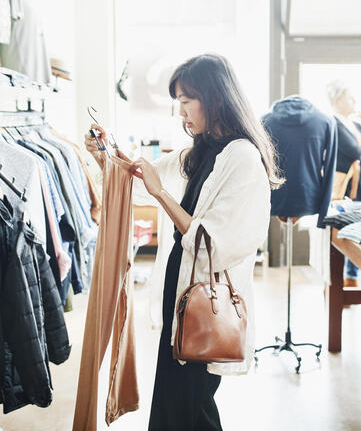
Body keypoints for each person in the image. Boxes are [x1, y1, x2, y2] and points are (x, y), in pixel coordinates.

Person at [84, 53, 281, 430]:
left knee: (190, 410)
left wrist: (162, 195)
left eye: (186, 102)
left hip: (205, 310)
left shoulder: (243, 158)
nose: (181, 113)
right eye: (179, 103)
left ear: (215, 98)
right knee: (184, 408)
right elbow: (140, 179)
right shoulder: (203, 150)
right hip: (184, 304)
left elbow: (219, 242)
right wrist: (104, 156)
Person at [327, 80, 361, 286]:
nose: (354, 102)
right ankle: (338, 279)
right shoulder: (332, 122)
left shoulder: (355, 123)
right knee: (344, 228)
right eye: (350, 97)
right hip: (346, 184)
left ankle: (352, 276)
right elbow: (354, 151)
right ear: (337, 100)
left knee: (360, 225)